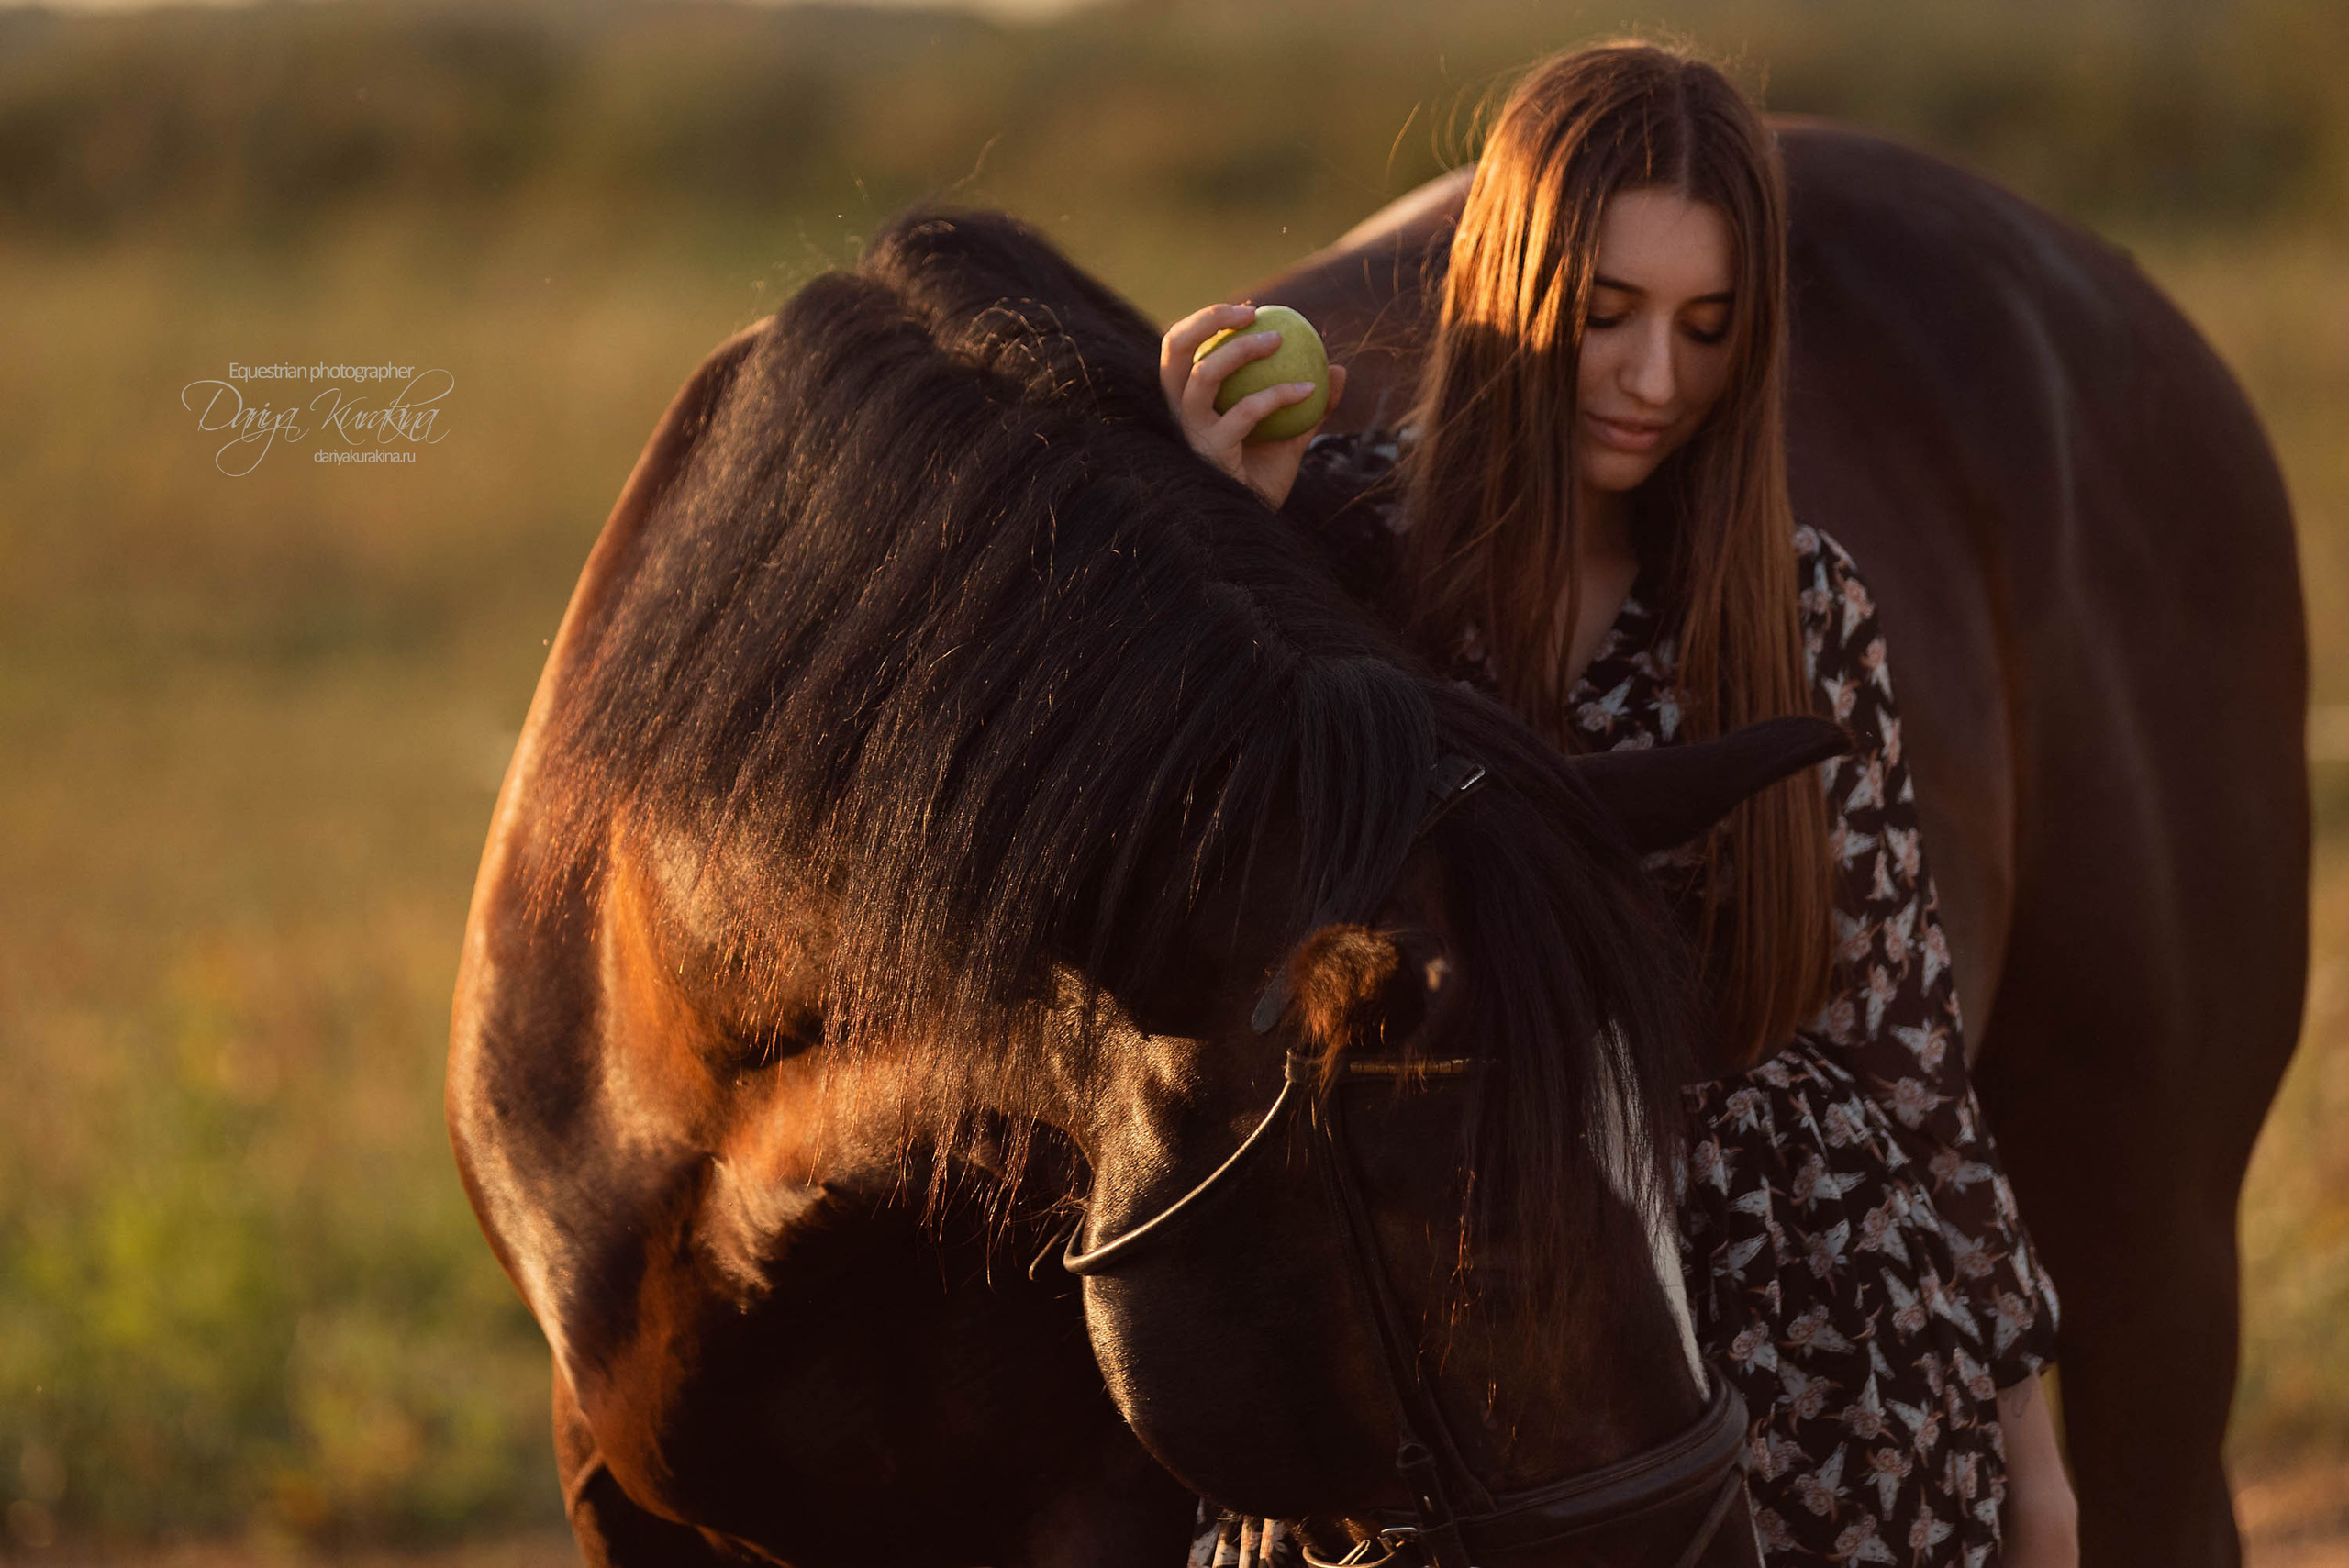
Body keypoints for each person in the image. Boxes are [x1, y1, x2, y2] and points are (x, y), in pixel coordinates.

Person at [1161, 42, 2076, 1568]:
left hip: (1806, 1347)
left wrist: (2030, 1457)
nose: (1658, 381)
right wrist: (1220, 534)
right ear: (1511, 285)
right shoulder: (1340, 553)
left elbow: (1906, 1049)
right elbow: (1197, 931)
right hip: (1435, 1314)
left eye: (1708, 329)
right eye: (1607, 315)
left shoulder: (1798, 604)